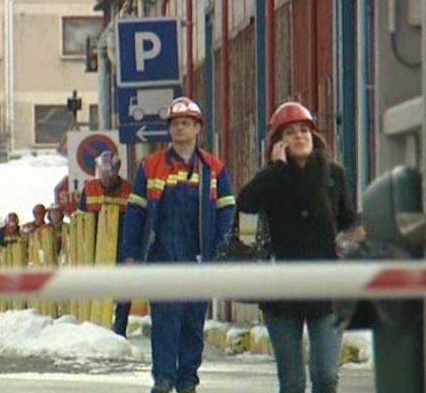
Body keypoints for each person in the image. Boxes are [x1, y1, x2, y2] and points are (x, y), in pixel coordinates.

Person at [236, 101, 363, 393]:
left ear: (314, 135)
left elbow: (348, 218)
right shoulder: (272, 179)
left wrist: (358, 231)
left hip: (327, 290)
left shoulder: (333, 175)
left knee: (326, 376)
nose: (299, 136)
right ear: (279, 144)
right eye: (290, 132)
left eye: (304, 130)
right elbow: (246, 203)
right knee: (292, 382)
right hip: (282, 294)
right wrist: (277, 168)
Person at [121, 97, 235, 393]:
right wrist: (131, 253)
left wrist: (217, 251)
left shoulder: (214, 168)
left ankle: (187, 380)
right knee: (165, 320)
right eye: (174, 124)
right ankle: (163, 379)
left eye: (186, 123)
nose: (179, 128)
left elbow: (226, 211)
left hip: (199, 256)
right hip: (162, 255)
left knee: (192, 322)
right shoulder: (151, 166)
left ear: (198, 128)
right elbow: (136, 213)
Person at [79, 150, 132, 338]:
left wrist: (131, 252)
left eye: (109, 175)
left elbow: (135, 222)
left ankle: (119, 332)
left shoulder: (127, 189)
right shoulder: (90, 188)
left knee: (124, 292)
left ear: (117, 170)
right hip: (96, 248)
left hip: (122, 247)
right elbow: (81, 219)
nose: (106, 180)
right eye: (103, 175)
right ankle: (97, 328)